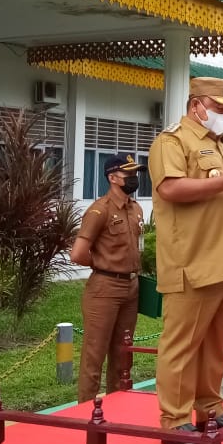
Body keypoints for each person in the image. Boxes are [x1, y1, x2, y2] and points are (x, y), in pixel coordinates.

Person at [148, 77, 223, 444]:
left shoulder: (222, 148)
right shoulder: (172, 141)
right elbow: (171, 188)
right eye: (220, 108)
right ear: (197, 104)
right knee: (181, 344)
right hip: (193, 259)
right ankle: (174, 419)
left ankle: (209, 406)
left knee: (215, 342)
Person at [69, 153, 145, 403]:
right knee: (95, 354)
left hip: (131, 288)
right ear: (113, 178)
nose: (134, 179)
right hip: (105, 287)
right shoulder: (99, 210)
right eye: (128, 175)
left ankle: (117, 406)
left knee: (123, 354)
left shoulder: (136, 209)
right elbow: (78, 253)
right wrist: (104, 264)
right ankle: (86, 411)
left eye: (135, 174)